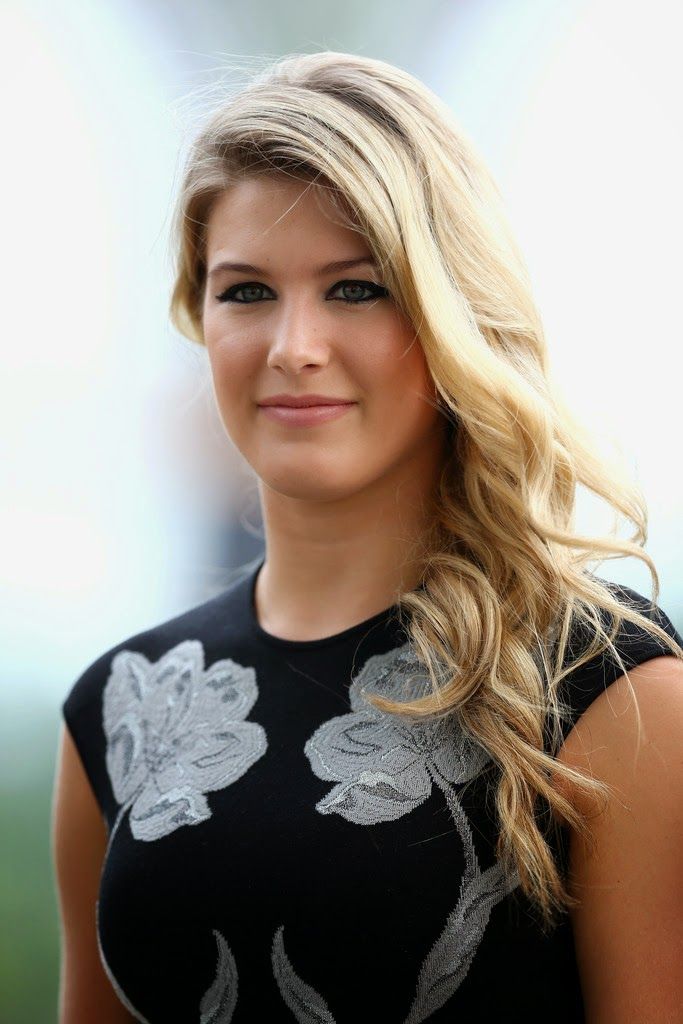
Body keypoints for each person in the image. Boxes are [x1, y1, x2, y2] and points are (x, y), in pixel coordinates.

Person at [51, 51, 683, 1024]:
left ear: (451, 314)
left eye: (355, 288)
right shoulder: (122, 708)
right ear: (200, 319)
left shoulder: (611, 689)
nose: (292, 345)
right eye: (245, 291)